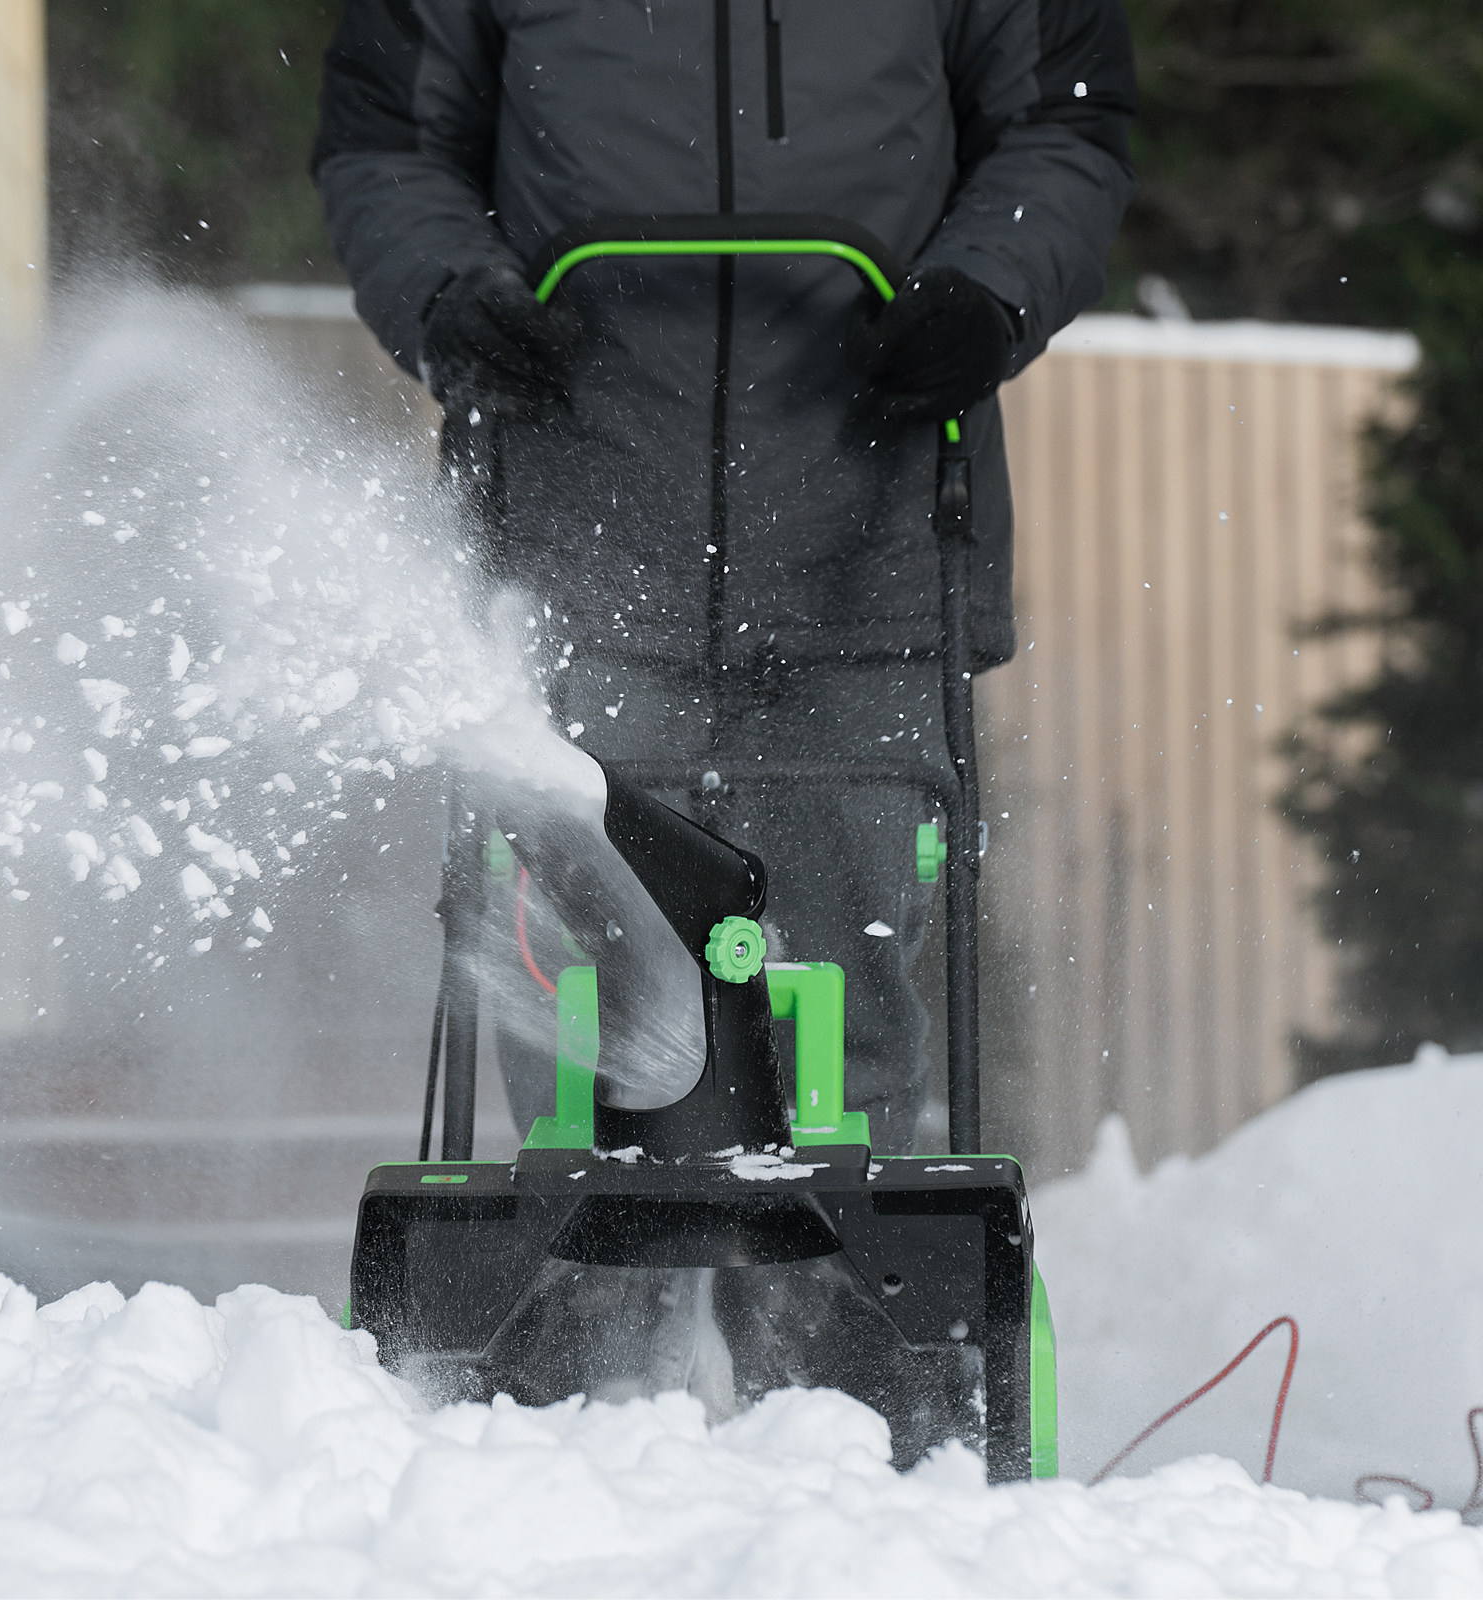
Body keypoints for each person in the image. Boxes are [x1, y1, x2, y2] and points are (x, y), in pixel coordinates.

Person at [312, 0, 1136, 1154]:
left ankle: (839, 1265)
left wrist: (983, 290)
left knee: (840, 1009)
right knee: (584, 1015)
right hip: (575, 549)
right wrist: (449, 291)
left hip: (867, 546)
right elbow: (388, 140)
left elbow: (1060, 127)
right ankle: (579, 1263)